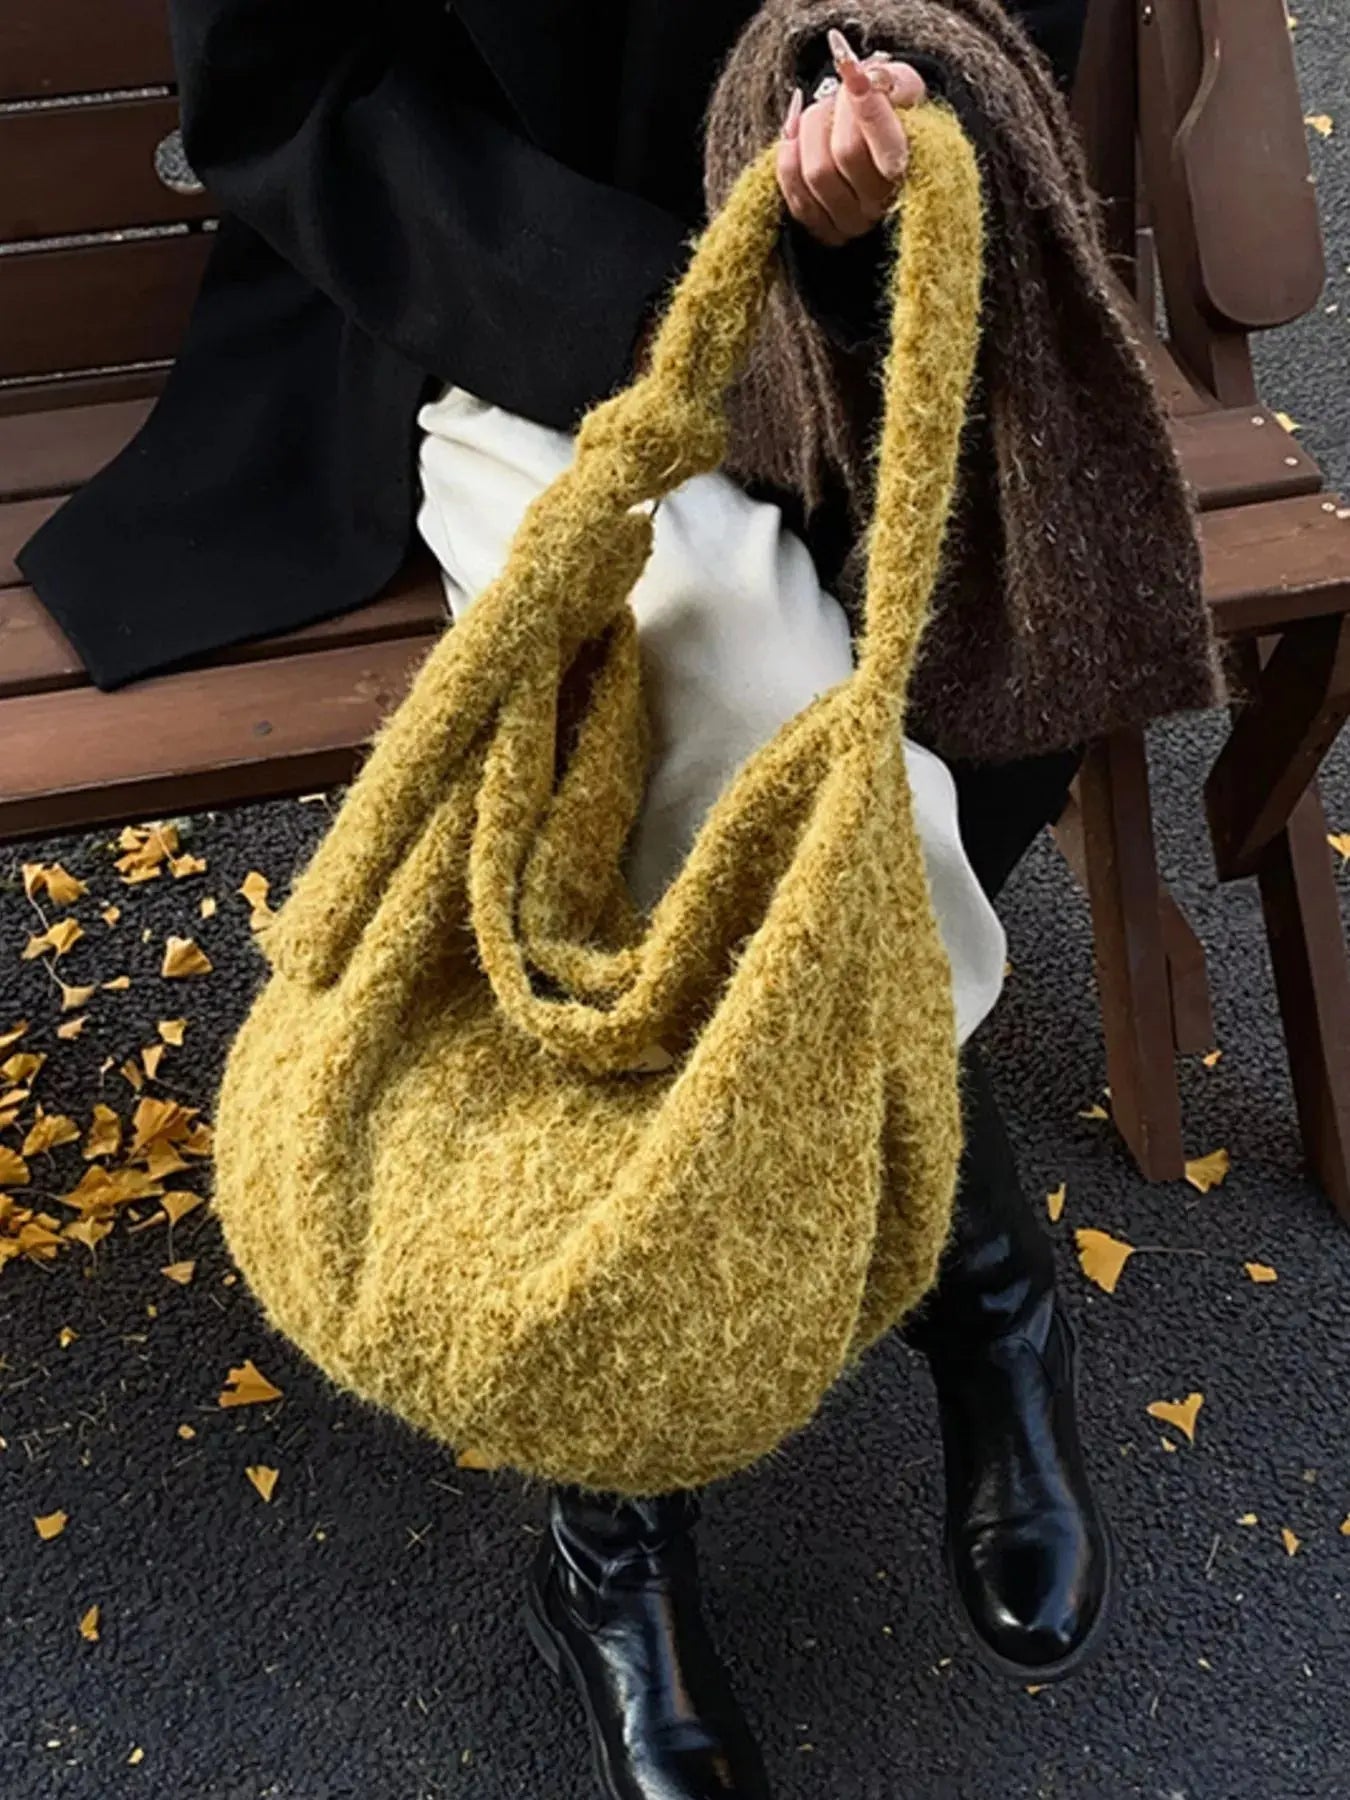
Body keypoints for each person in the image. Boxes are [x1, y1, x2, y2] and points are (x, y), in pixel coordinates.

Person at [18, 5, 1108, 1796]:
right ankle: (964, 1283)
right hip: (491, 311)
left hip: (892, 304)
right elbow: (286, 95)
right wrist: (688, 308)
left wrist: (884, 128)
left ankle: (645, 1512)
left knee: (884, 661)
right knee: (729, 674)